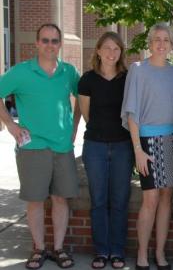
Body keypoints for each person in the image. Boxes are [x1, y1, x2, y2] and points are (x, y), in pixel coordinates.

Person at [0, 23, 80, 269]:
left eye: (54, 41)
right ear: (36, 43)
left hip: (62, 147)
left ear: (60, 44)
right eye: (45, 40)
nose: (49, 45)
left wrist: (74, 127)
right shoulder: (22, 72)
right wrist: (11, 127)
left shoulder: (68, 72)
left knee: (59, 200)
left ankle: (57, 249)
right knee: (35, 200)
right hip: (32, 147)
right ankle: (38, 249)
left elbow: (82, 98)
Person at [121, 23, 173, 270]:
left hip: (172, 139)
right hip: (147, 140)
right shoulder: (138, 70)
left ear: (171, 45)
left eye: (166, 40)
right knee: (151, 198)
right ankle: (142, 255)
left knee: (167, 197)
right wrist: (138, 149)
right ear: (149, 43)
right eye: (156, 39)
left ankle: (159, 253)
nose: (161, 44)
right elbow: (132, 114)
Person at [78, 32, 133, 269]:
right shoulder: (87, 80)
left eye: (117, 48)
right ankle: (101, 251)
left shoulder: (128, 78)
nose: (112, 53)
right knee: (99, 200)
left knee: (120, 201)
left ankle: (117, 251)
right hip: (95, 147)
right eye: (107, 48)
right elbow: (87, 115)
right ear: (98, 51)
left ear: (121, 53)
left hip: (123, 146)